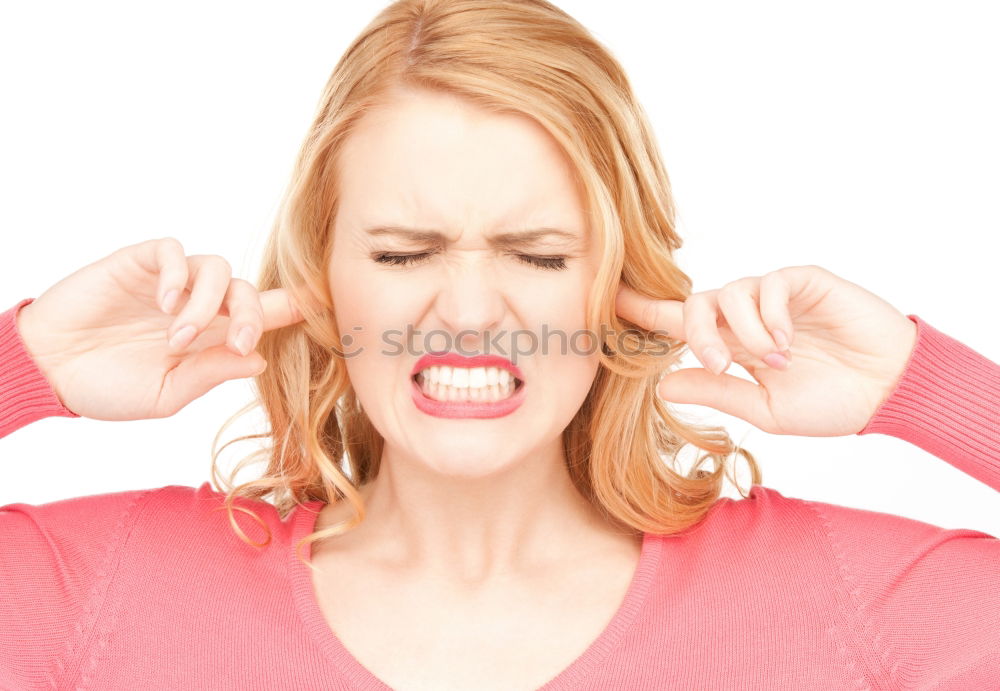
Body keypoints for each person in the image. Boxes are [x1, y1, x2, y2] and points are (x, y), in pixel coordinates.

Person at [2, 0, 998, 689]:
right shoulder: (103, 590)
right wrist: (30, 363)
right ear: (317, 280)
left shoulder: (843, 598)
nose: (469, 311)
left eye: (535, 252)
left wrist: (924, 388)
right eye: (401, 253)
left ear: (616, 282)